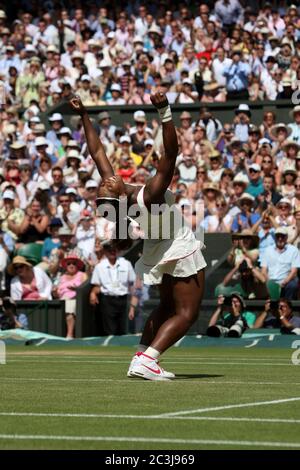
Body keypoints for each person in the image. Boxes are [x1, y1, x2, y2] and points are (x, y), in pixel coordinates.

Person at [69, 92, 206, 381]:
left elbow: (97, 153)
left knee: (167, 307)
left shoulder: (119, 203)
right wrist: (164, 111)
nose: (106, 178)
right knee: (187, 312)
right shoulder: (150, 195)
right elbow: (171, 154)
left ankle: (140, 357)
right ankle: (148, 359)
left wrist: (83, 116)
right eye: (107, 185)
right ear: (118, 194)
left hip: (158, 250)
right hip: (177, 246)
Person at [89, 241, 137, 336]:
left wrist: (132, 306)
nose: (112, 252)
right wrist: (93, 293)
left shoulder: (126, 264)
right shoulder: (99, 266)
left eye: (114, 249)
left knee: (123, 329)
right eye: (109, 250)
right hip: (107, 300)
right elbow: (97, 286)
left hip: (124, 299)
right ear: (105, 251)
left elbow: (132, 285)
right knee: (110, 329)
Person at [53, 252, 88, 339]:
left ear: (78, 265)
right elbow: (56, 293)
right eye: (69, 263)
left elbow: (87, 289)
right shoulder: (61, 277)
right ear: (66, 266)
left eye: (74, 263)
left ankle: (70, 334)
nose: (71, 265)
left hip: (77, 300)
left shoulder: (82, 275)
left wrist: (76, 289)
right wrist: (54, 292)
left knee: (69, 304)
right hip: (62, 300)